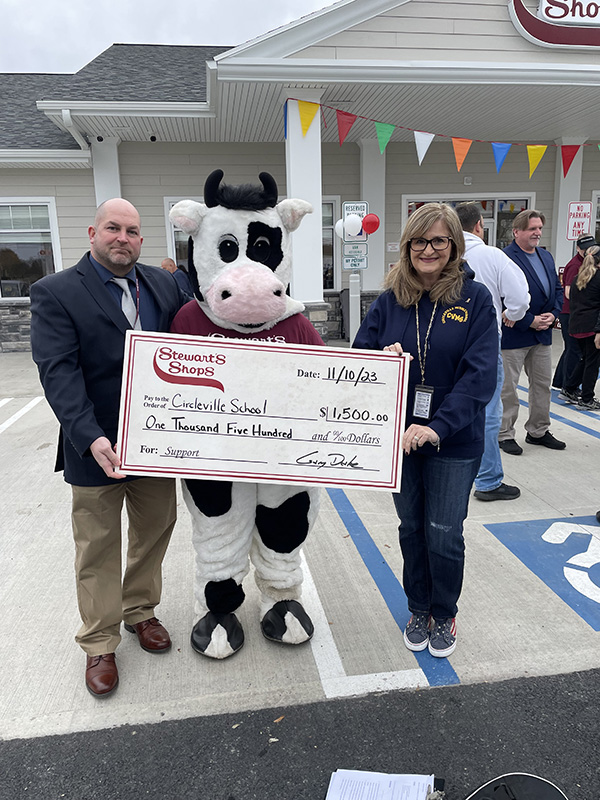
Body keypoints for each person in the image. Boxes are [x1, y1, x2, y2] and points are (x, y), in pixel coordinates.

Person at [30, 199, 187, 698]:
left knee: (155, 529)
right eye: (114, 229)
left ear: (143, 240)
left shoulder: (165, 284)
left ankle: (141, 611)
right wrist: (89, 434)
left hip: (157, 444)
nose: (124, 238)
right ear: (93, 232)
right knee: (96, 544)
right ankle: (99, 641)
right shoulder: (55, 292)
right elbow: (58, 371)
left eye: (134, 231)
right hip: (94, 443)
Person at [353, 203, 497, 658]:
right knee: (411, 527)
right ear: (407, 246)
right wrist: (383, 359)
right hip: (399, 439)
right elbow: (358, 358)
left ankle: (444, 610)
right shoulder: (390, 299)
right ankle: (419, 607)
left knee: (444, 531)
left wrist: (436, 427)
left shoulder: (475, 301)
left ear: (453, 244)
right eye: (419, 241)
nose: (428, 249)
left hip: (453, 441)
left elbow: (480, 377)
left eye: (438, 241)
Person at [456, 202, 530, 502]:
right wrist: (512, 313)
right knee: (487, 413)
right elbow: (519, 297)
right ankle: (487, 479)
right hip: (483, 347)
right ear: (479, 225)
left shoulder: (443, 254)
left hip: (445, 346)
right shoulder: (492, 255)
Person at [499, 210, 566, 455]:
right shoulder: (505, 258)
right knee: (509, 387)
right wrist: (529, 320)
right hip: (515, 334)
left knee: (542, 385)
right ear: (516, 231)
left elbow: (557, 289)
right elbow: (502, 297)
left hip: (543, 334)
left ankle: (538, 431)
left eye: (539, 228)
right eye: (532, 229)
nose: (537, 233)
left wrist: (554, 314)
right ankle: (505, 433)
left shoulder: (546, 256)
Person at [555, 234, 597, 403]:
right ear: (578, 249)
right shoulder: (574, 265)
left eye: (591, 248)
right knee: (574, 350)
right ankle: (568, 386)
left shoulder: (587, 264)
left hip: (576, 313)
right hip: (569, 313)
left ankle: (561, 382)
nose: (588, 251)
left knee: (572, 350)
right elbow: (568, 292)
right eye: (585, 248)